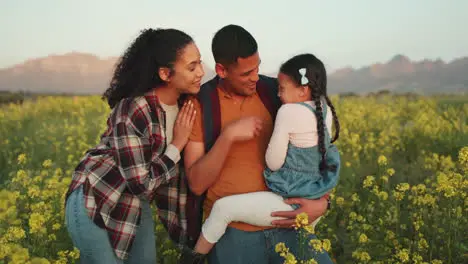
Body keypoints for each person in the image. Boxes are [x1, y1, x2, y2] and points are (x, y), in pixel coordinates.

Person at [181, 24, 336, 264]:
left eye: (257, 67)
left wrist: (322, 203)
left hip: (290, 226)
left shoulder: (278, 92)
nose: (255, 77)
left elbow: (318, 149)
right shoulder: (201, 104)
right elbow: (197, 184)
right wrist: (228, 135)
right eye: (245, 73)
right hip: (232, 235)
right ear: (221, 70)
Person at [63, 28, 204, 263]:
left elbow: (173, 185)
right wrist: (177, 144)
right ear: (165, 74)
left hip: (133, 205)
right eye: (192, 67)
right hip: (96, 199)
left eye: (200, 63)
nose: (200, 72)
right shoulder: (134, 109)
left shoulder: (186, 108)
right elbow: (141, 184)